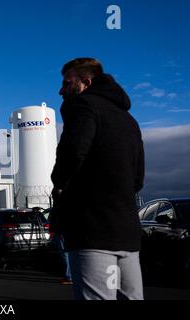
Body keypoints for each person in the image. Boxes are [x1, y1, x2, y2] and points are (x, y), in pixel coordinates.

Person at [51, 58, 145, 300]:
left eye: (66, 83)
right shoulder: (129, 121)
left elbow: (72, 153)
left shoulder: (83, 107)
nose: (61, 90)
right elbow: (138, 178)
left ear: (86, 82)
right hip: (127, 232)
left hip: (92, 230)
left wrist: (60, 184)